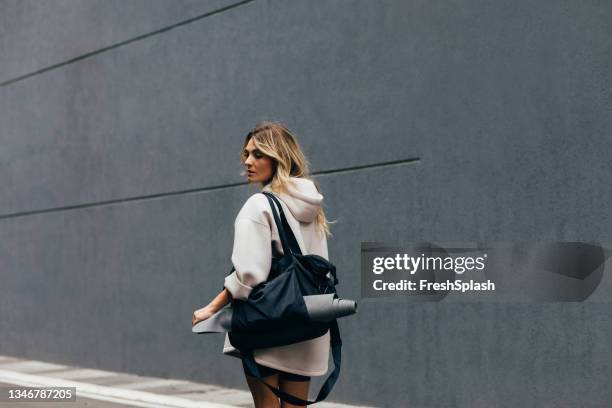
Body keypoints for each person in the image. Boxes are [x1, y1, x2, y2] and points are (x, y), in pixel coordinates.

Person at [191, 121, 333, 408]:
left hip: (269, 324)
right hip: (308, 324)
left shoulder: (258, 206)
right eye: (246, 154)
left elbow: (248, 275)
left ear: (278, 158)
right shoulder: (312, 205)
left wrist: (211, 307)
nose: (248, 162)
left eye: (258, 155)